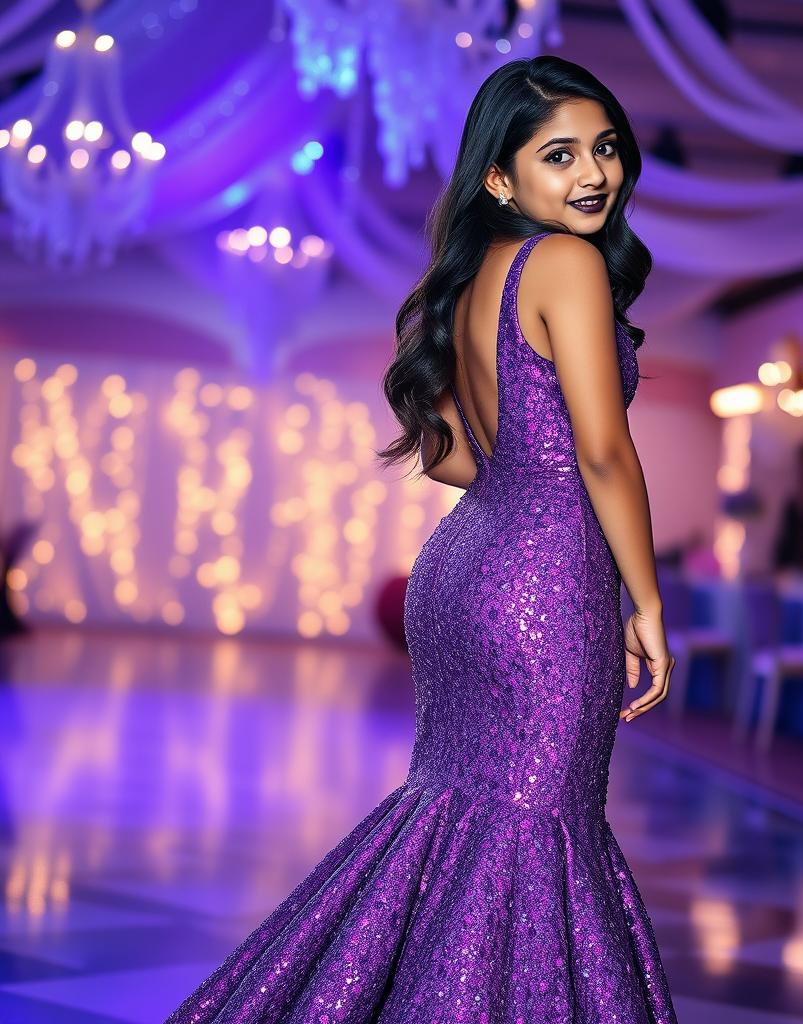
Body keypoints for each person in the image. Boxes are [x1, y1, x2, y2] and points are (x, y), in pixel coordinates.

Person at [166, 55, 677, 1024]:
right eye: (558, 154)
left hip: (467, 568)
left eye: (604, 148)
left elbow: (448, 455)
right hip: (542, 584)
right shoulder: (564, 263)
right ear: (501, 178)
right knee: (537, 824)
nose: (593, 173)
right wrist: (643, 602)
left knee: (456, 809)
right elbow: (605, 453)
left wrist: (529, 483)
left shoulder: (475, 274)